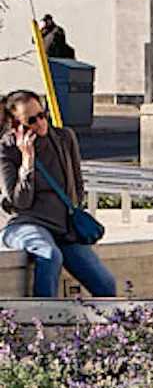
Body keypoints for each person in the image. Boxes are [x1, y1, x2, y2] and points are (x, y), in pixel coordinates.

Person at [1, 87, 113, 300]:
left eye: (42, 115)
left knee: (106, 284)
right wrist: (27, 161)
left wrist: (69, 213)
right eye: (31, 120)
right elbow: (20, 203)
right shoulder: (7, 150)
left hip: (63, 227)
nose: (41, 123)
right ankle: (44, 320)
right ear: (16, 124)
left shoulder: (63, 138)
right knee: (49, 254)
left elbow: (77, 185)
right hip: (24, 224)